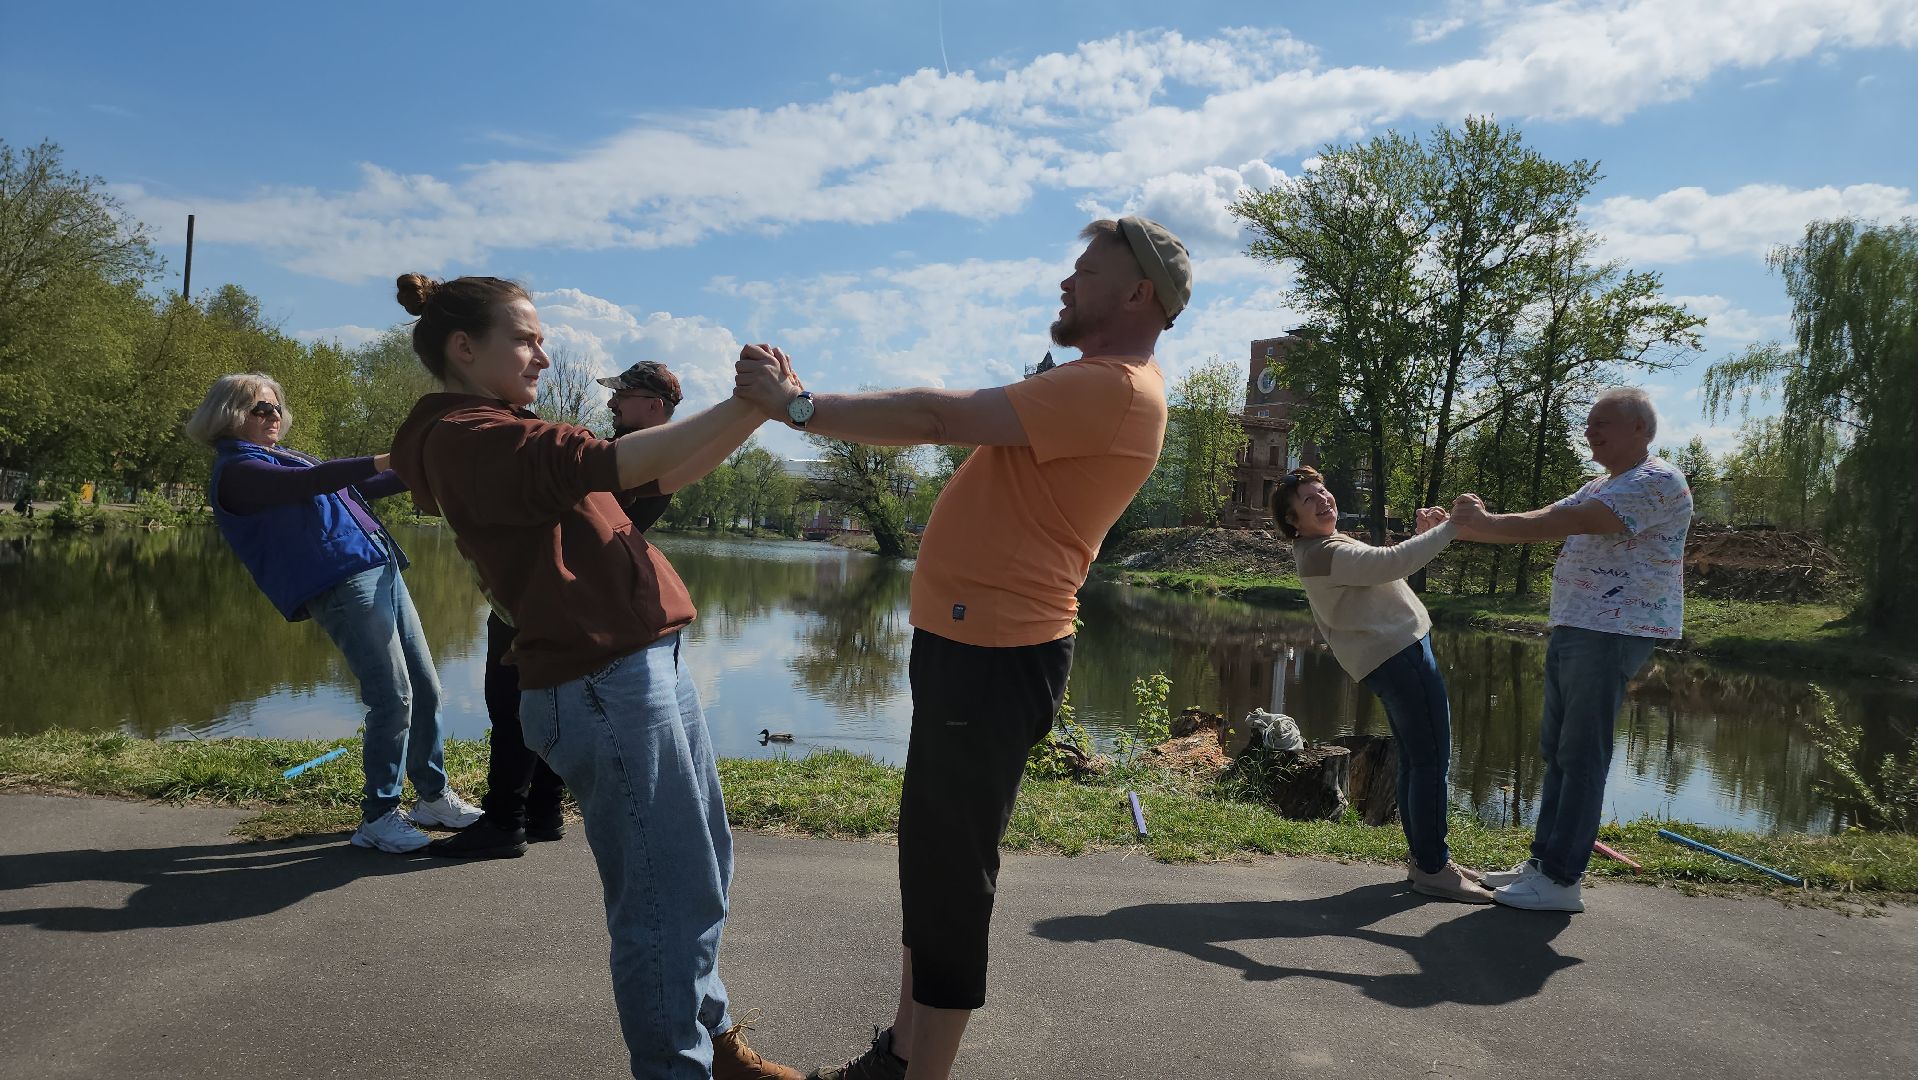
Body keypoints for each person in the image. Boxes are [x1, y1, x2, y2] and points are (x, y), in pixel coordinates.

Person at [733, 216, 1187, 1080]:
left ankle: (920, 1072)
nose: (1066, 282)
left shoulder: (1116, 387)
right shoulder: (1098, 381)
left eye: (1084, 270)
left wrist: (797, 408)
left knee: (950, 874)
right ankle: (902, 1054)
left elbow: (938, 414)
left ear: (1138, 293)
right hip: (970, 653)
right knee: (930, 856)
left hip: (993, 660)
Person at [385, 274, 799, 1080]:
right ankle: (677, 1068)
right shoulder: (474, 437)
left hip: (641, 670)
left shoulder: (500, 427)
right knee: (660, 901)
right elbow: (623, 457)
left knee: (697, 874)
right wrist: (755, 403)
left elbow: (658, 475)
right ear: (464, 350)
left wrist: (753, 411)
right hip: (604, 685)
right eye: (526, 339)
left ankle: (709, 1043)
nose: (543, 354)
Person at [184, 372, 482, 854]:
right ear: (229, 415)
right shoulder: (240, 471)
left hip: (380, 571)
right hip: (342, 585)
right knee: (393, 697)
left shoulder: (279, 459)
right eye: (261, 408)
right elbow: (314, 481)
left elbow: (357, 486)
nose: (274, 415)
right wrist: (401, 454)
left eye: (277, 406)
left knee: (425, 686)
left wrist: (422, 467)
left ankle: (432, 797)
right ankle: (380, 816)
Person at [429, 359, 685, 861]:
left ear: (654, 405)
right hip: (576, 602)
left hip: (547, 599)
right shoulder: (652, 455)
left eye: (622, 395)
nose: (611, 402)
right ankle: (543, 811)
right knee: (547, 702)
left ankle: (505, 820)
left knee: (510, 708)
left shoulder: (639, 460)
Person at [1451, 387, 1693, 913]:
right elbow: (1541, 516)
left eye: (1602, 423)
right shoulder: (1605, 482)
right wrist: (1460, 531)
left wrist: (1482, 522)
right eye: (1588, 423)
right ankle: (1542, 864)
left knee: (1581, 753)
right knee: (1557, 748)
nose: (1590, 431)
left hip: (1612, 631)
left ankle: (1561, 880)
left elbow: (1564, 523)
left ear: (1640, 430)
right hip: (1577, 626)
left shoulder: (1656, 481)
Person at [1273, 466, 1492, 904]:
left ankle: (1428, 859)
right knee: (1429, 761)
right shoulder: (1321, 552)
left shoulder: (1323, 546)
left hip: (1398, 655)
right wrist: (1452, 527)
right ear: (1293, 520)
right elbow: (1391, 564)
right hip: (1399, 658)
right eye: (1309, 500)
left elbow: (1384, 574)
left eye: (1324, 491)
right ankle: (1432, 867)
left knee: (1416, 759)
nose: (1324, 500)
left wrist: (1421, 534)